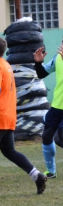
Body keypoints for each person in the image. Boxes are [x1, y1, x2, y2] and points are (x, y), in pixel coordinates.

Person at [0, 36, 47, 200]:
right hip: (8, 117)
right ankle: (37, 176)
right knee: (10, 151)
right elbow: (2, 91)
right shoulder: (6, 66)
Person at [33, 43, 63, 179]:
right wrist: (38, 63)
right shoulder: (58, 58)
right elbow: (41, 74)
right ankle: (51, 172)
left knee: (60, 138)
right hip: (57, 106)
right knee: (46, 136)